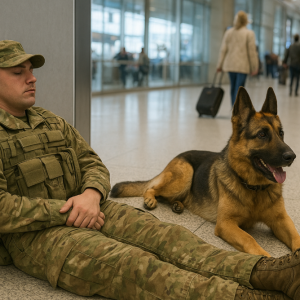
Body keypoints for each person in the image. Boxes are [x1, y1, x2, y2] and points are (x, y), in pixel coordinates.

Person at [0, 39, 299, 300]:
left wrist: (91, 193)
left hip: (91, 207)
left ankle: (271, 273)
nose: (32, 78)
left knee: (170, 237)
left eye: (31, 71)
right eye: (18, 72)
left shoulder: (51, 120)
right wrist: (68, 210)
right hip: (39, 233)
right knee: (134, 265)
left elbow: (91, 161)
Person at [217, 11, 258, 106]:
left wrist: (219, 65)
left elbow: (223, 50)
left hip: (230, 64)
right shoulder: (249, 33)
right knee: (240, 88)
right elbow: (252, 52)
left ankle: (234, 108)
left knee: (233, 87)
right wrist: (254, 67)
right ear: (246, 21)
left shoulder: (228, 32)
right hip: (243, 66)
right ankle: (237, 110)